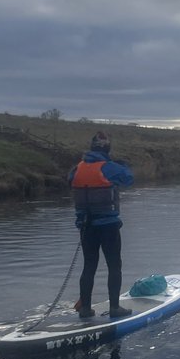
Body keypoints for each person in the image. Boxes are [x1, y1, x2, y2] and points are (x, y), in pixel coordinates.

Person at [69, 131, 134, 319]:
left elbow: (70, 180)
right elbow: (128, 179)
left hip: (86, 225)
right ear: (107, 149)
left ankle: (85, 309)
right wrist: (122, 165)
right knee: (114, 265)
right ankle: (115, 308)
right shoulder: (110, 167)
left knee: (89, 266)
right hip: (108, 225)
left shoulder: (77, 168)